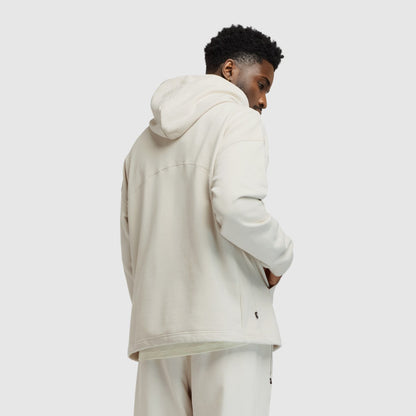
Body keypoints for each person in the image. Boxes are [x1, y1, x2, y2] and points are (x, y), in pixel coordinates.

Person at [120, 24, 294, 416]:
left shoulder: (140, 148)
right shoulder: (238, 120)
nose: (263, 100)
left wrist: (157, 312)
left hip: (159, 335)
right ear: (229, 70)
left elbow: (133, 251)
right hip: (229, 331)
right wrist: (281, 255)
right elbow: (235, 207)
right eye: (262, 83)